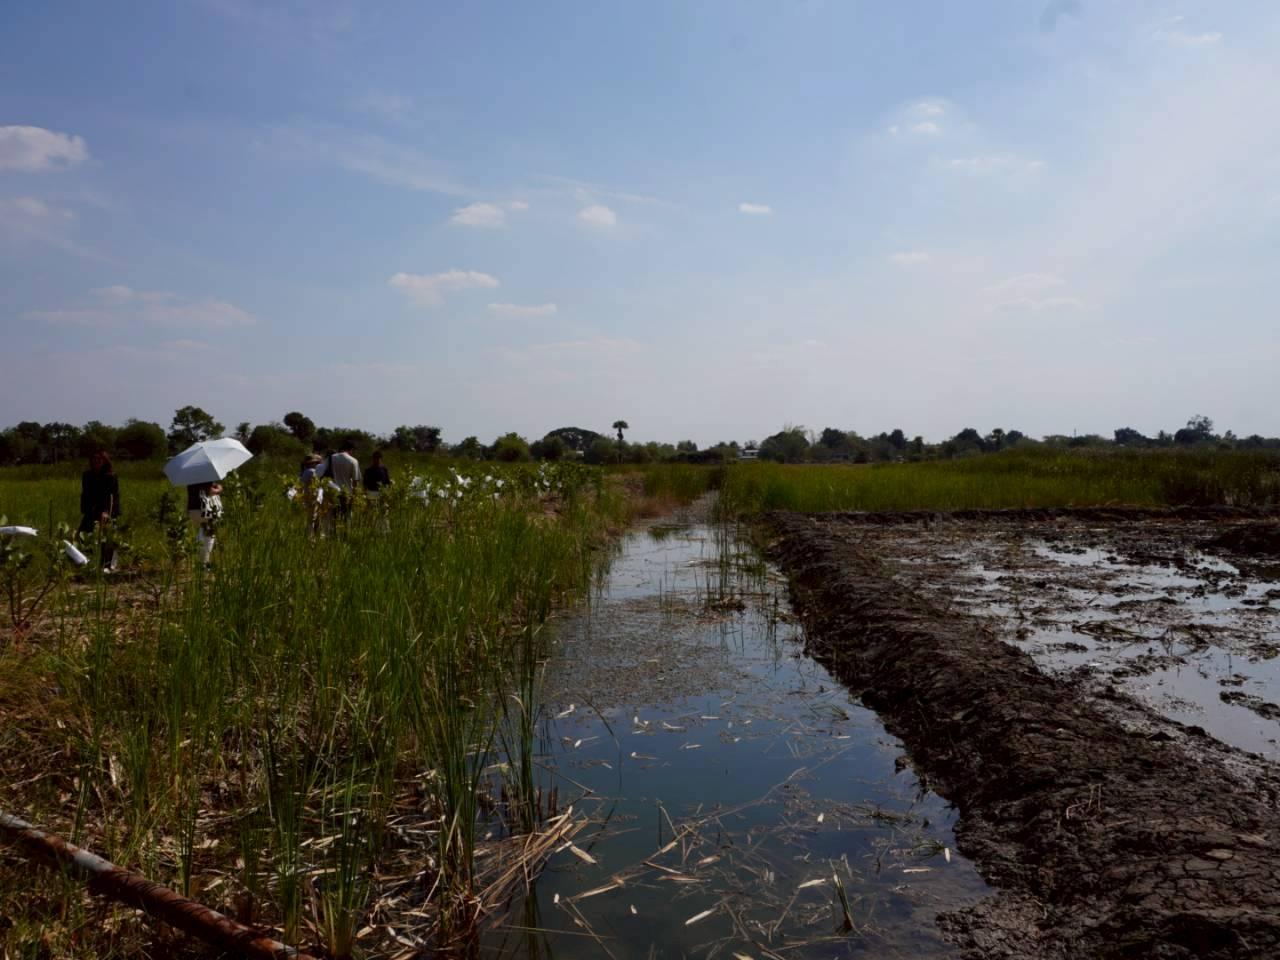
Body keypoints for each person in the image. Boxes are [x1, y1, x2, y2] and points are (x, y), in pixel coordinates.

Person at [78, 450, 120, 569]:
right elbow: (85, 494)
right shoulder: (87, 475)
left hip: (108, 510)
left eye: (99, 459)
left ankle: (108, 566)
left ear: (104, 461)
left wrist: (107, 512)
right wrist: (85, 510)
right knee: (82, 536)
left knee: (108, 539)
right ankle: (86, 564)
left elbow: (113, 495)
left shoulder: (110, 476)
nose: (96, 462)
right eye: (93, 459)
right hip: (91, 510)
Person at [186, 480, 223, 566]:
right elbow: (211, 491)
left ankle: (202, 560)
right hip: (204, 510)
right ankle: (204, 561)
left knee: (203, 531)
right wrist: (219, 489)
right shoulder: (204, 477)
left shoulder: (190, 478)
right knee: (209, 534)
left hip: (193, 510)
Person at [324, 439, 361, 518]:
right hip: (347, 494)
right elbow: (355, 482)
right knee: (346, 518)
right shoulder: (353, 461)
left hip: (332, 493)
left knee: (333, 518)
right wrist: (354, 497)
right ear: (352, 449)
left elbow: (323, 472)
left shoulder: (331, 458)